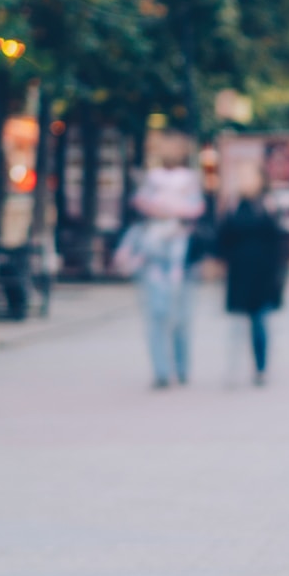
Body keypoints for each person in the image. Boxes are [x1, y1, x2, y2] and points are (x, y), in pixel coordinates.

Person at [117, 134, 205, 389]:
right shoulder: (151, 179)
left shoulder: (190, 179)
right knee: (156, 314)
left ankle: (182, 367)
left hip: (182, 257)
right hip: (153, 255)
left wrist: (170, 209)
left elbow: (196, 208)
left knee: (181, 317)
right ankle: (162, 371)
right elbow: (139, 203)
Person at [217, 165, 287, 387]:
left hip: (263, 273)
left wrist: (278, 274)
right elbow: (223, 236)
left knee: (259, 322)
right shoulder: (233, 204)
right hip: (239, 272)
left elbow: (277, 240)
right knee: (237, 323)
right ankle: (233, 370)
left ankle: (260, 368)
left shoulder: (267, 204)